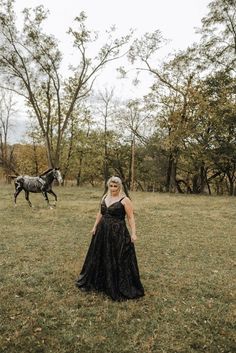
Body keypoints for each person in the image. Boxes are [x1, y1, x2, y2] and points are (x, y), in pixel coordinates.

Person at [76, 176, 144, 301]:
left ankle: (116, 283)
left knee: (117, 256)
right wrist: (94, 226)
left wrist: (134, 233)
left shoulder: (125, 200)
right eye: (111, 186)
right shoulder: (105, 197)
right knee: (100, 254)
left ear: (119, 187)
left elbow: (130, 217)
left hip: (117, 232)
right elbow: (100, 213)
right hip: (102, 231)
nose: (113, 188)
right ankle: (101, 282)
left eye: (115, 186)